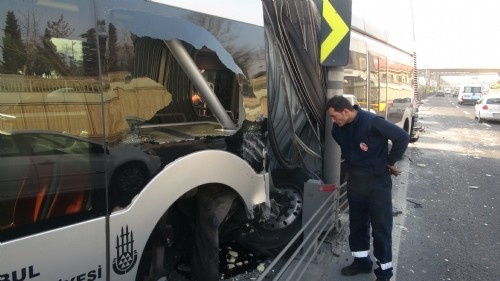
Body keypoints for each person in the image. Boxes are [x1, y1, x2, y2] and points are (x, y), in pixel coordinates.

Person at [326, 95, 409, 281]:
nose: (332, 121)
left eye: (334, 116)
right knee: (357, 225)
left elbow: (402, 137)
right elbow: (348, 150)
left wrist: (389, 161)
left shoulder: (372, 122)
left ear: (345, 111)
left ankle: (384, 272)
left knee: (381, 228)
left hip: (377, 184)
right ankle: (361, 262)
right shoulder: (337, 130)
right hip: (355, 182)